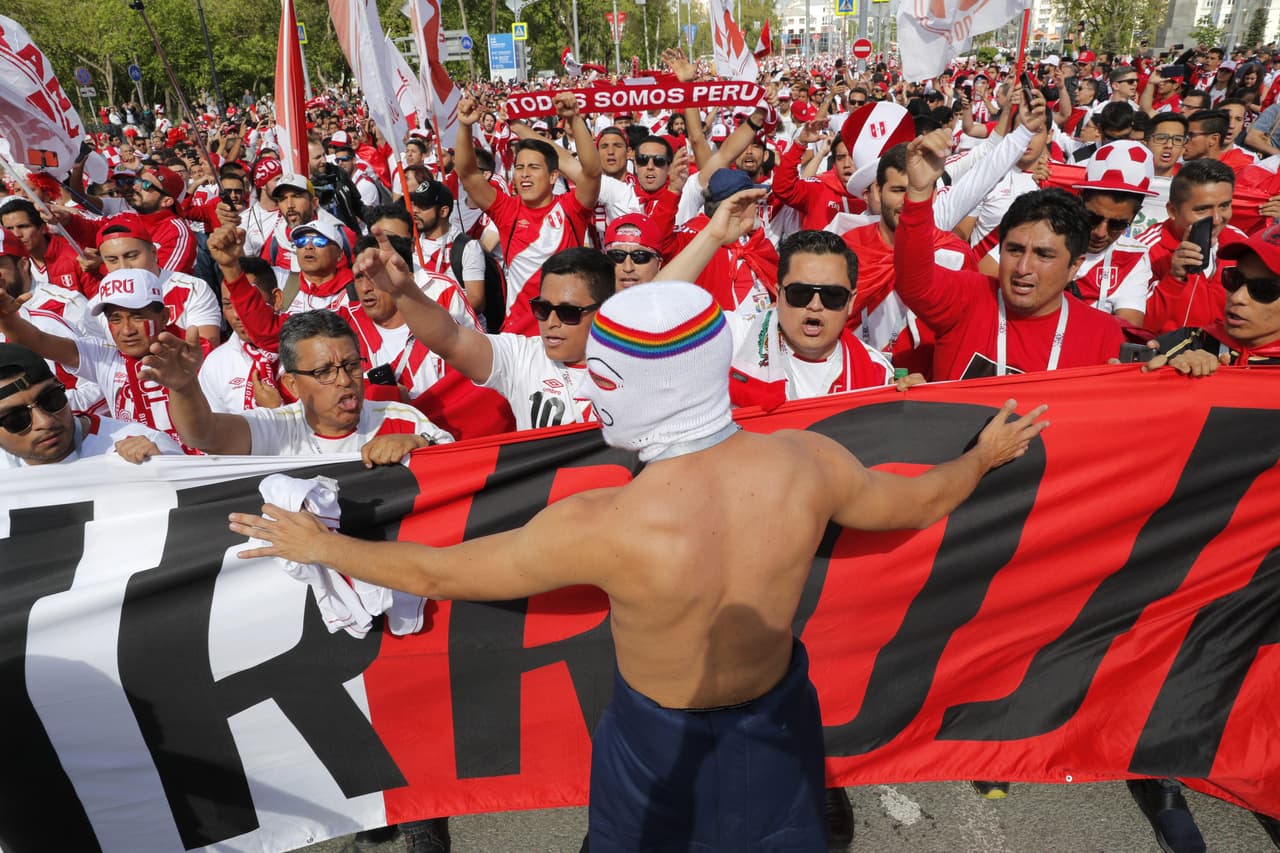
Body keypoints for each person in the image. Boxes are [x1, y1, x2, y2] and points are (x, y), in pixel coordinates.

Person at [227, 279, 1049, 853]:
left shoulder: (605, 523)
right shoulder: (807, 463)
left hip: (658, 742)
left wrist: (323, 546)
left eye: (601, 372)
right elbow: (913, 504)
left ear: (632, 387)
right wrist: (983, 456)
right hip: (779, 720)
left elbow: (443, 574)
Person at [895, 129, 1125, 380]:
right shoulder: (969, 298)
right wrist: (918, 194)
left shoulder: (1103, 335)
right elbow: (913, 281)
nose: (1023, 267)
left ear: (1074, 266)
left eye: (1044, 255)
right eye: (1014, 250)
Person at [140, 309, 451, 462]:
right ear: (292, 383)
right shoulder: (276, 428)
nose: (344, 381)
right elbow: (203, 435)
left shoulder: (402, 418)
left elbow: (463, 468)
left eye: (352, 366)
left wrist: (419, 445)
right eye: (324, 372)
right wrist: (183, 388)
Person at [0, 342, 179, 467]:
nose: (45, 422)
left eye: (51, 399)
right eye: (16, 419)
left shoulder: (144, 446)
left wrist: (163, 468)